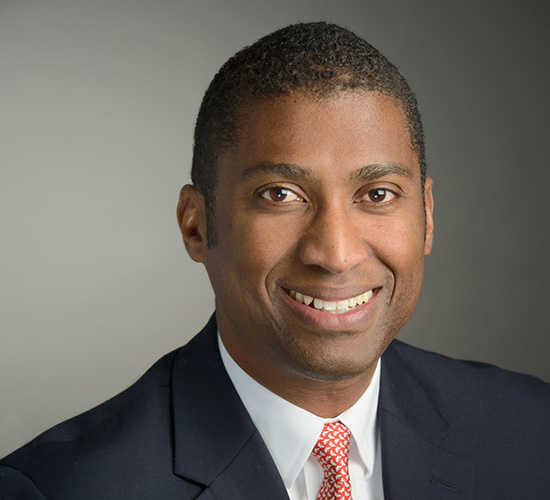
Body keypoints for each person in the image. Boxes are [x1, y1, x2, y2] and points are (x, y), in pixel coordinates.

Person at [1, 21, 549, 500]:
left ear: (427, 215)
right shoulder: (58, 489)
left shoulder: (531, 433)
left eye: (378, 194)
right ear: (196, 224)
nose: (335, 254)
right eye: (280, 194)